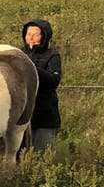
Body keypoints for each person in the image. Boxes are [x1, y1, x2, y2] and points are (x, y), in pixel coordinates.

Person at [23, 19, 63, 153]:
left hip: (45, 116)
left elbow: (54, 80)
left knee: (41, 155)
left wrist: (33, 69)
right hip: (22, 116)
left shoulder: (52, 56)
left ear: (44, 37)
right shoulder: (18, 54)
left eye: (35, 34)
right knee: (19, 156)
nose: (31, 38)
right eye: (28, 34)